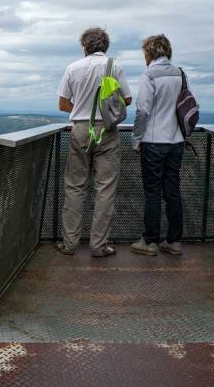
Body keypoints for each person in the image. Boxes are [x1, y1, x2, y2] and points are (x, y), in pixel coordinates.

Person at [57, 27, 132, 257]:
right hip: (107, 131)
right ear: (105, 46)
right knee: (105, 189)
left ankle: (69, 244)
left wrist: (82, 109)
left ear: (84, 46)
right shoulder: (114, 66)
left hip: (80, 129)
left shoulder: (73, 68)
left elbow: (63, 104)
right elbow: (127, 99)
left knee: (75, 187)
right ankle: (99, 246)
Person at [130, 34, 191, 256]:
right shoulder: (180, 74)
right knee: (173, 190)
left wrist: (136, 140)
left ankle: (150, 241)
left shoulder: (149, 75)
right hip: (176, 141)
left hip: (154, 142)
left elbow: (143, 111)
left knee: (153, 192)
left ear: (150, 52)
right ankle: (174, 241)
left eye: (145, 52)